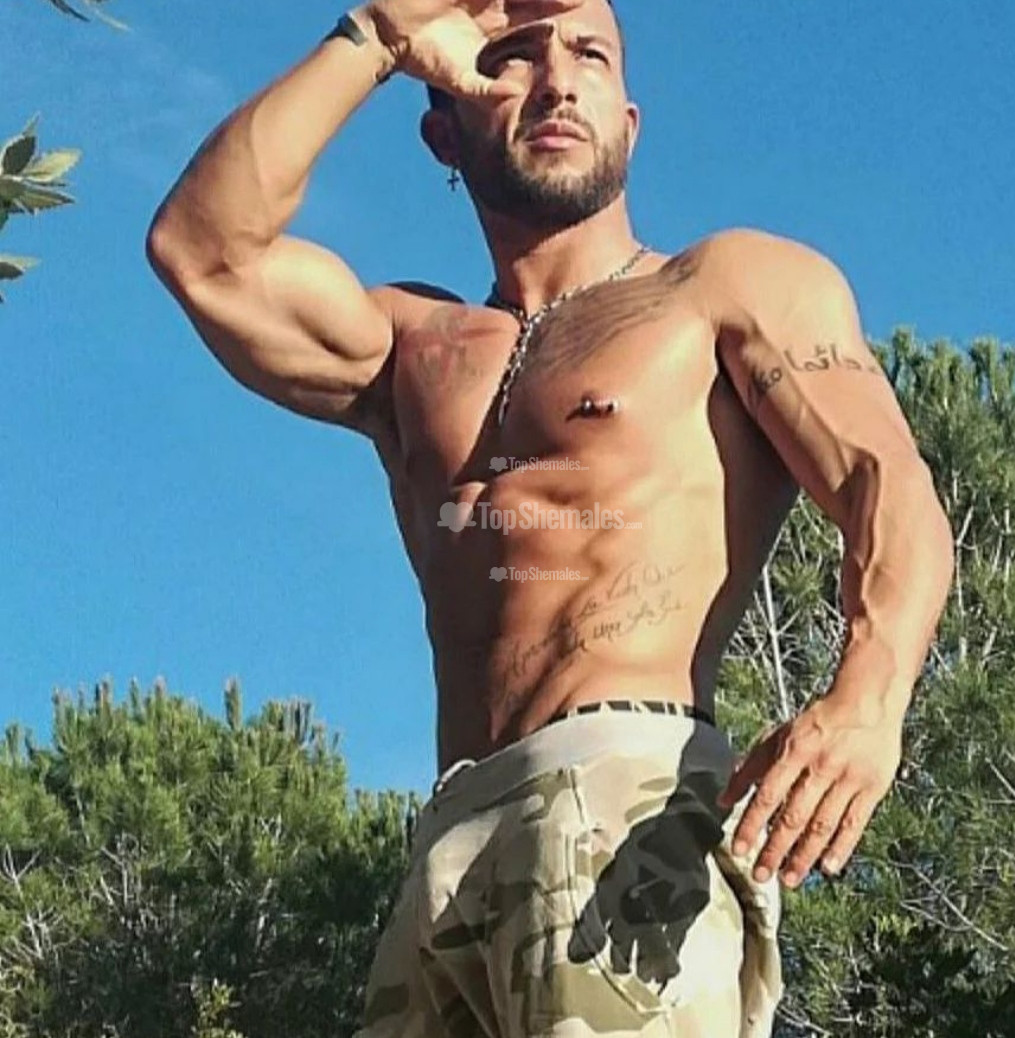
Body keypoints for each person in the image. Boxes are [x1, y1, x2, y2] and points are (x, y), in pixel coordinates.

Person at [146, 0, 955, 1033]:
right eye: (518, 58)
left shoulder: (722, 287)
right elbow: (201, 250)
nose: (560, 82)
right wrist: (379, 35)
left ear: (630, 121)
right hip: (448, 838)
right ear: (444, 130)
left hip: (625, 801)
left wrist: (869, 701)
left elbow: (888, 483)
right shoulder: (409, 348)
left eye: (590, 57)